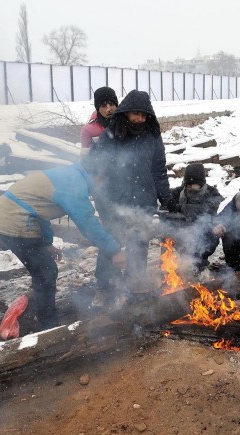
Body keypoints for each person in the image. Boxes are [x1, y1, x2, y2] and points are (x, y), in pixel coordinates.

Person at [0, 163, 126, 331]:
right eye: (102, 183)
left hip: (12, 216)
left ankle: (42, 311)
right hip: (15, 221)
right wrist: (114, 250)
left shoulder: (70, 175)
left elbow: (39, 210)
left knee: (42, 270)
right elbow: (87, 222)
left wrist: (46, 243)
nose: (100, 188)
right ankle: (48, 325)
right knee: (46, 272)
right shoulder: (75, 183)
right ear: (97, 176)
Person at [88, 89, 174, 305]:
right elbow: (98, 170)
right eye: (135, 114)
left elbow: (159, 170)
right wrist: (104, 202)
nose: (139, 119)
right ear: (126, 112)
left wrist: (167, 198)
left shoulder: (153, 136)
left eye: (143, 115)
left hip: (144, 200)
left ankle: (135, 284)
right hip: (116, 200)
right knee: (112, 241)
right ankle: (105, 285)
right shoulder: (111, 134)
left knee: (139, 243)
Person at [166, 163, 223, 272]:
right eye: (188, 185)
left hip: (205, 234)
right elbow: (167, 203)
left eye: (194, 185)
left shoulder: (213, 193)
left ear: (202, 184)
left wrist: (180, 207)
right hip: (183, 234)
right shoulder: (178, 192)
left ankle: (201, 259)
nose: (190, 188)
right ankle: (180, 259)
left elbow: (204, 210)